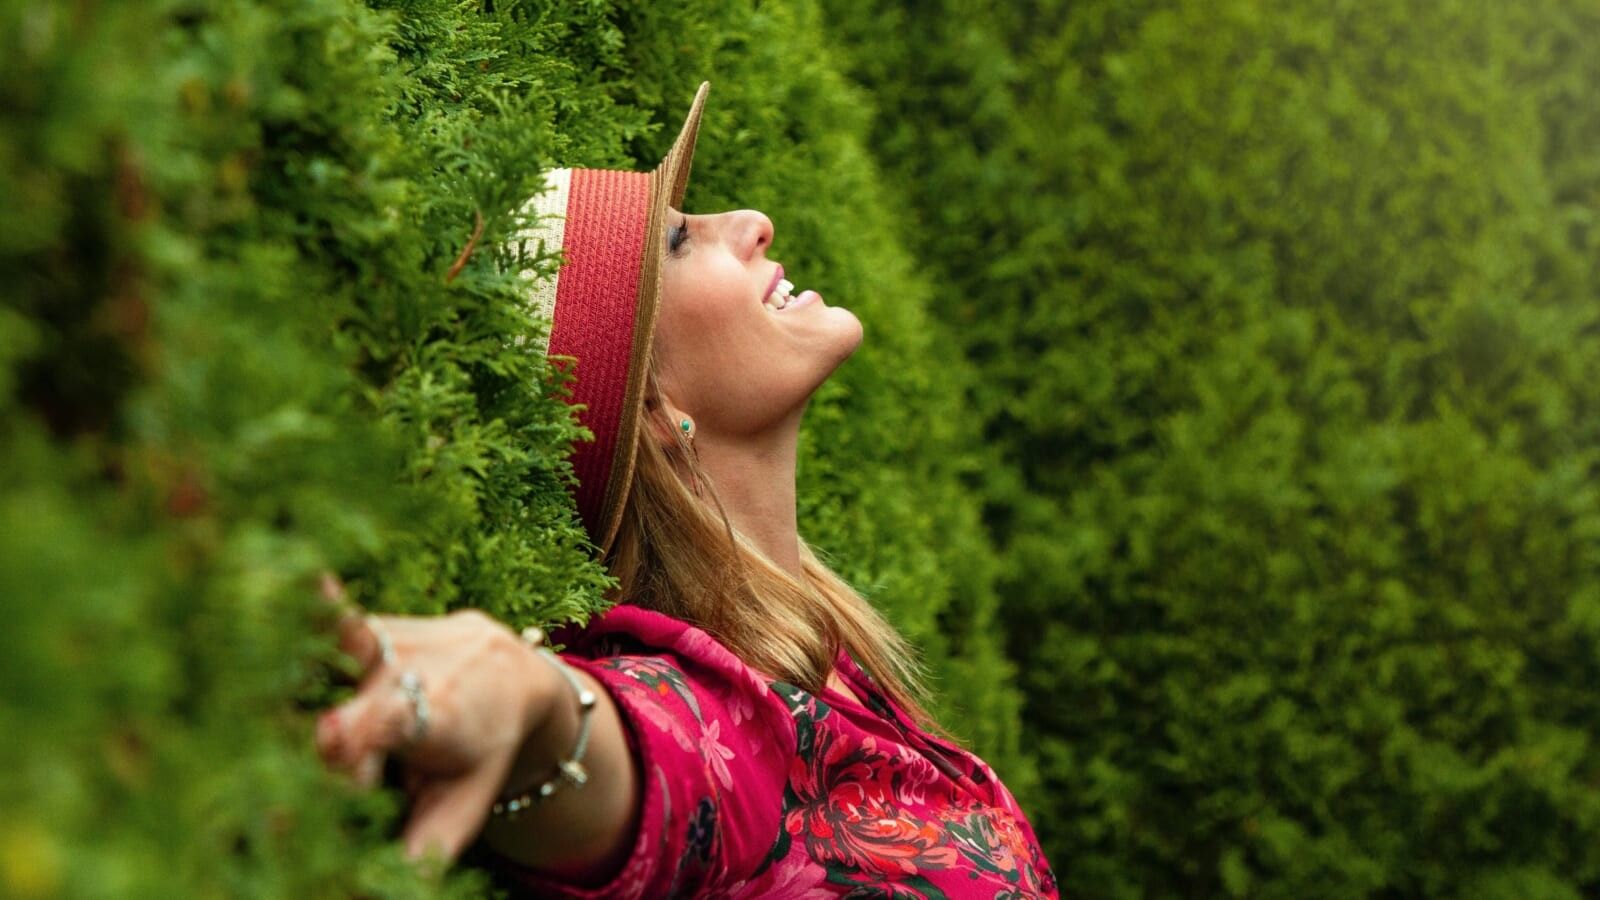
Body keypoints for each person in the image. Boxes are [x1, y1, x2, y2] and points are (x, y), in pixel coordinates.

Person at [313, 82, 1058, 898]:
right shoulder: (711, 716)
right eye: (678, 241)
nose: (750, 222)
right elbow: (634, 755)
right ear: (655, 412)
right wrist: (528, 697)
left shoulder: (821, 652)